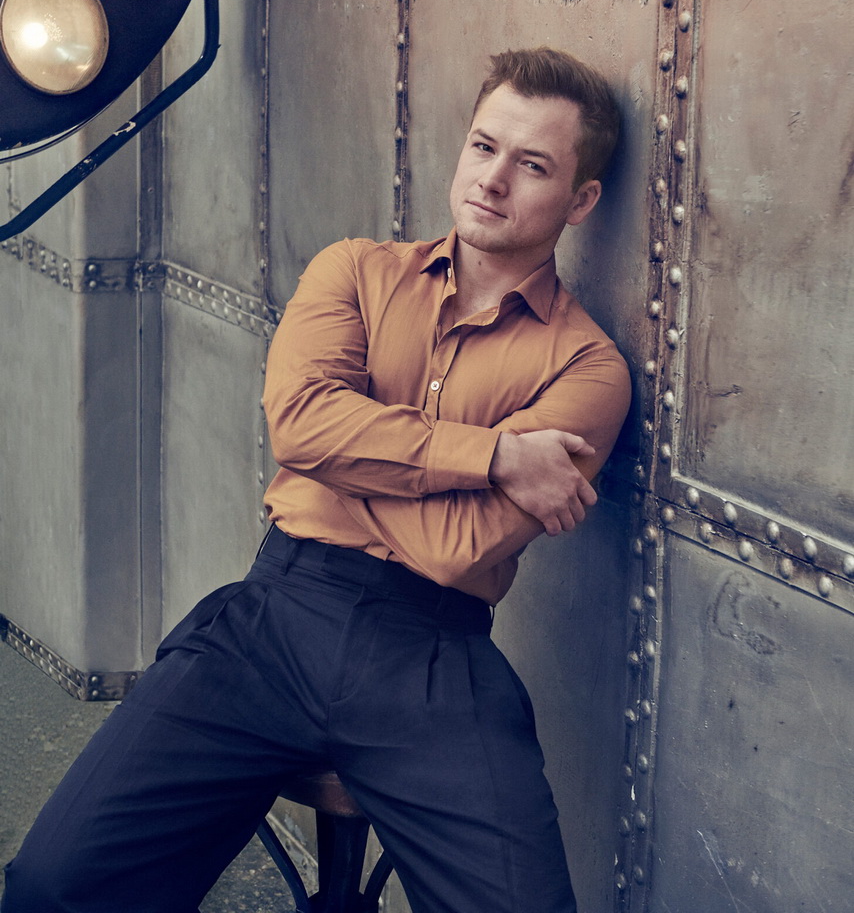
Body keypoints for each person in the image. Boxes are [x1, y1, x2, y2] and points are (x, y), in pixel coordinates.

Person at [2, 47, 631, 913]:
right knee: (52, 885)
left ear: (581, 200)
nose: (492, 179)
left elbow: (459, 547)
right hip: (274, 618)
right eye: (484, 147)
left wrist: (340, 456)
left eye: (532, 166)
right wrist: (491, 456)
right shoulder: (356, 271)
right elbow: (297, 424)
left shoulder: (589, 368)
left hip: (431, 656)